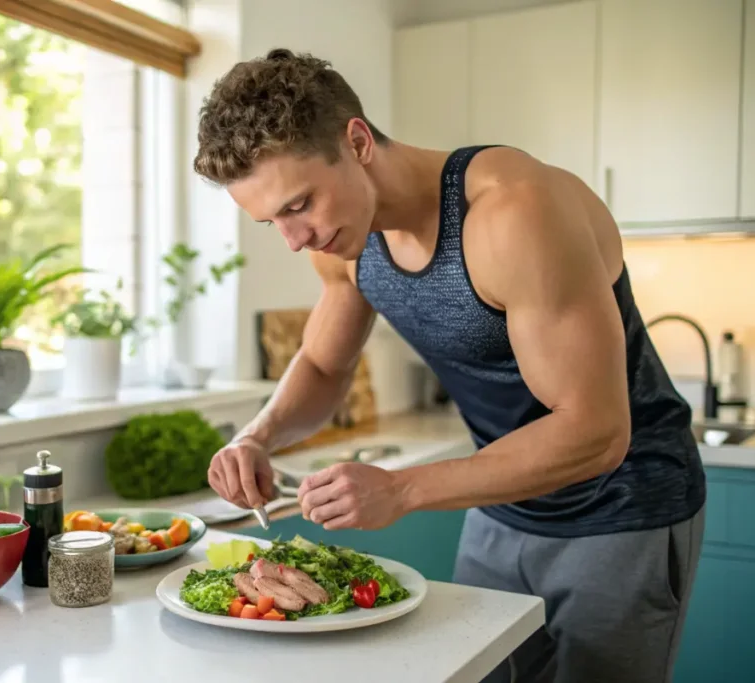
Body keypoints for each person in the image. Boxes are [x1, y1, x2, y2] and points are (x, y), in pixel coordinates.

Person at [194, 48, 705, 683]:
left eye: (299, 205)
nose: (294, 238)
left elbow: (596, 431)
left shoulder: (515, 212)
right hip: (502, 504)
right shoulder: (341, 240)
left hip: (622, 508)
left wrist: (402, 488)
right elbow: (325, 369)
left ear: (356, 142)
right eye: (272, 220)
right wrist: (257, 435)